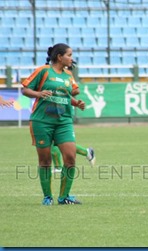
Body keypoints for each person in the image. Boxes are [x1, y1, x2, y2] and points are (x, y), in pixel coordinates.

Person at [22, 43, 85, 205]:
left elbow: (64, 95)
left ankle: (64, 197)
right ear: (59, 57)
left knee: (70, 158)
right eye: (69, 55)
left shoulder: (68, 75)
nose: (72, 58)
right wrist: (38, 93)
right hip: (42, 121)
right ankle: (47, 197)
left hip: (64, 121)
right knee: (45, 161)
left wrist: (75, 103)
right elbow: (25, 90)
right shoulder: (43, 71)